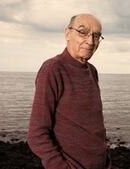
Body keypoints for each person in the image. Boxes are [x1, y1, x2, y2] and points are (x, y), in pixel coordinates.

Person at [27, 13, 111, 169]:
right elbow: (37, 134)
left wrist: (105, 159)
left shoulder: (92, 71)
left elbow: (93, 126)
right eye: (82, 32)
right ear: (67, 33)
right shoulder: (52, 69)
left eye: (96, 36)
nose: (90, 41)